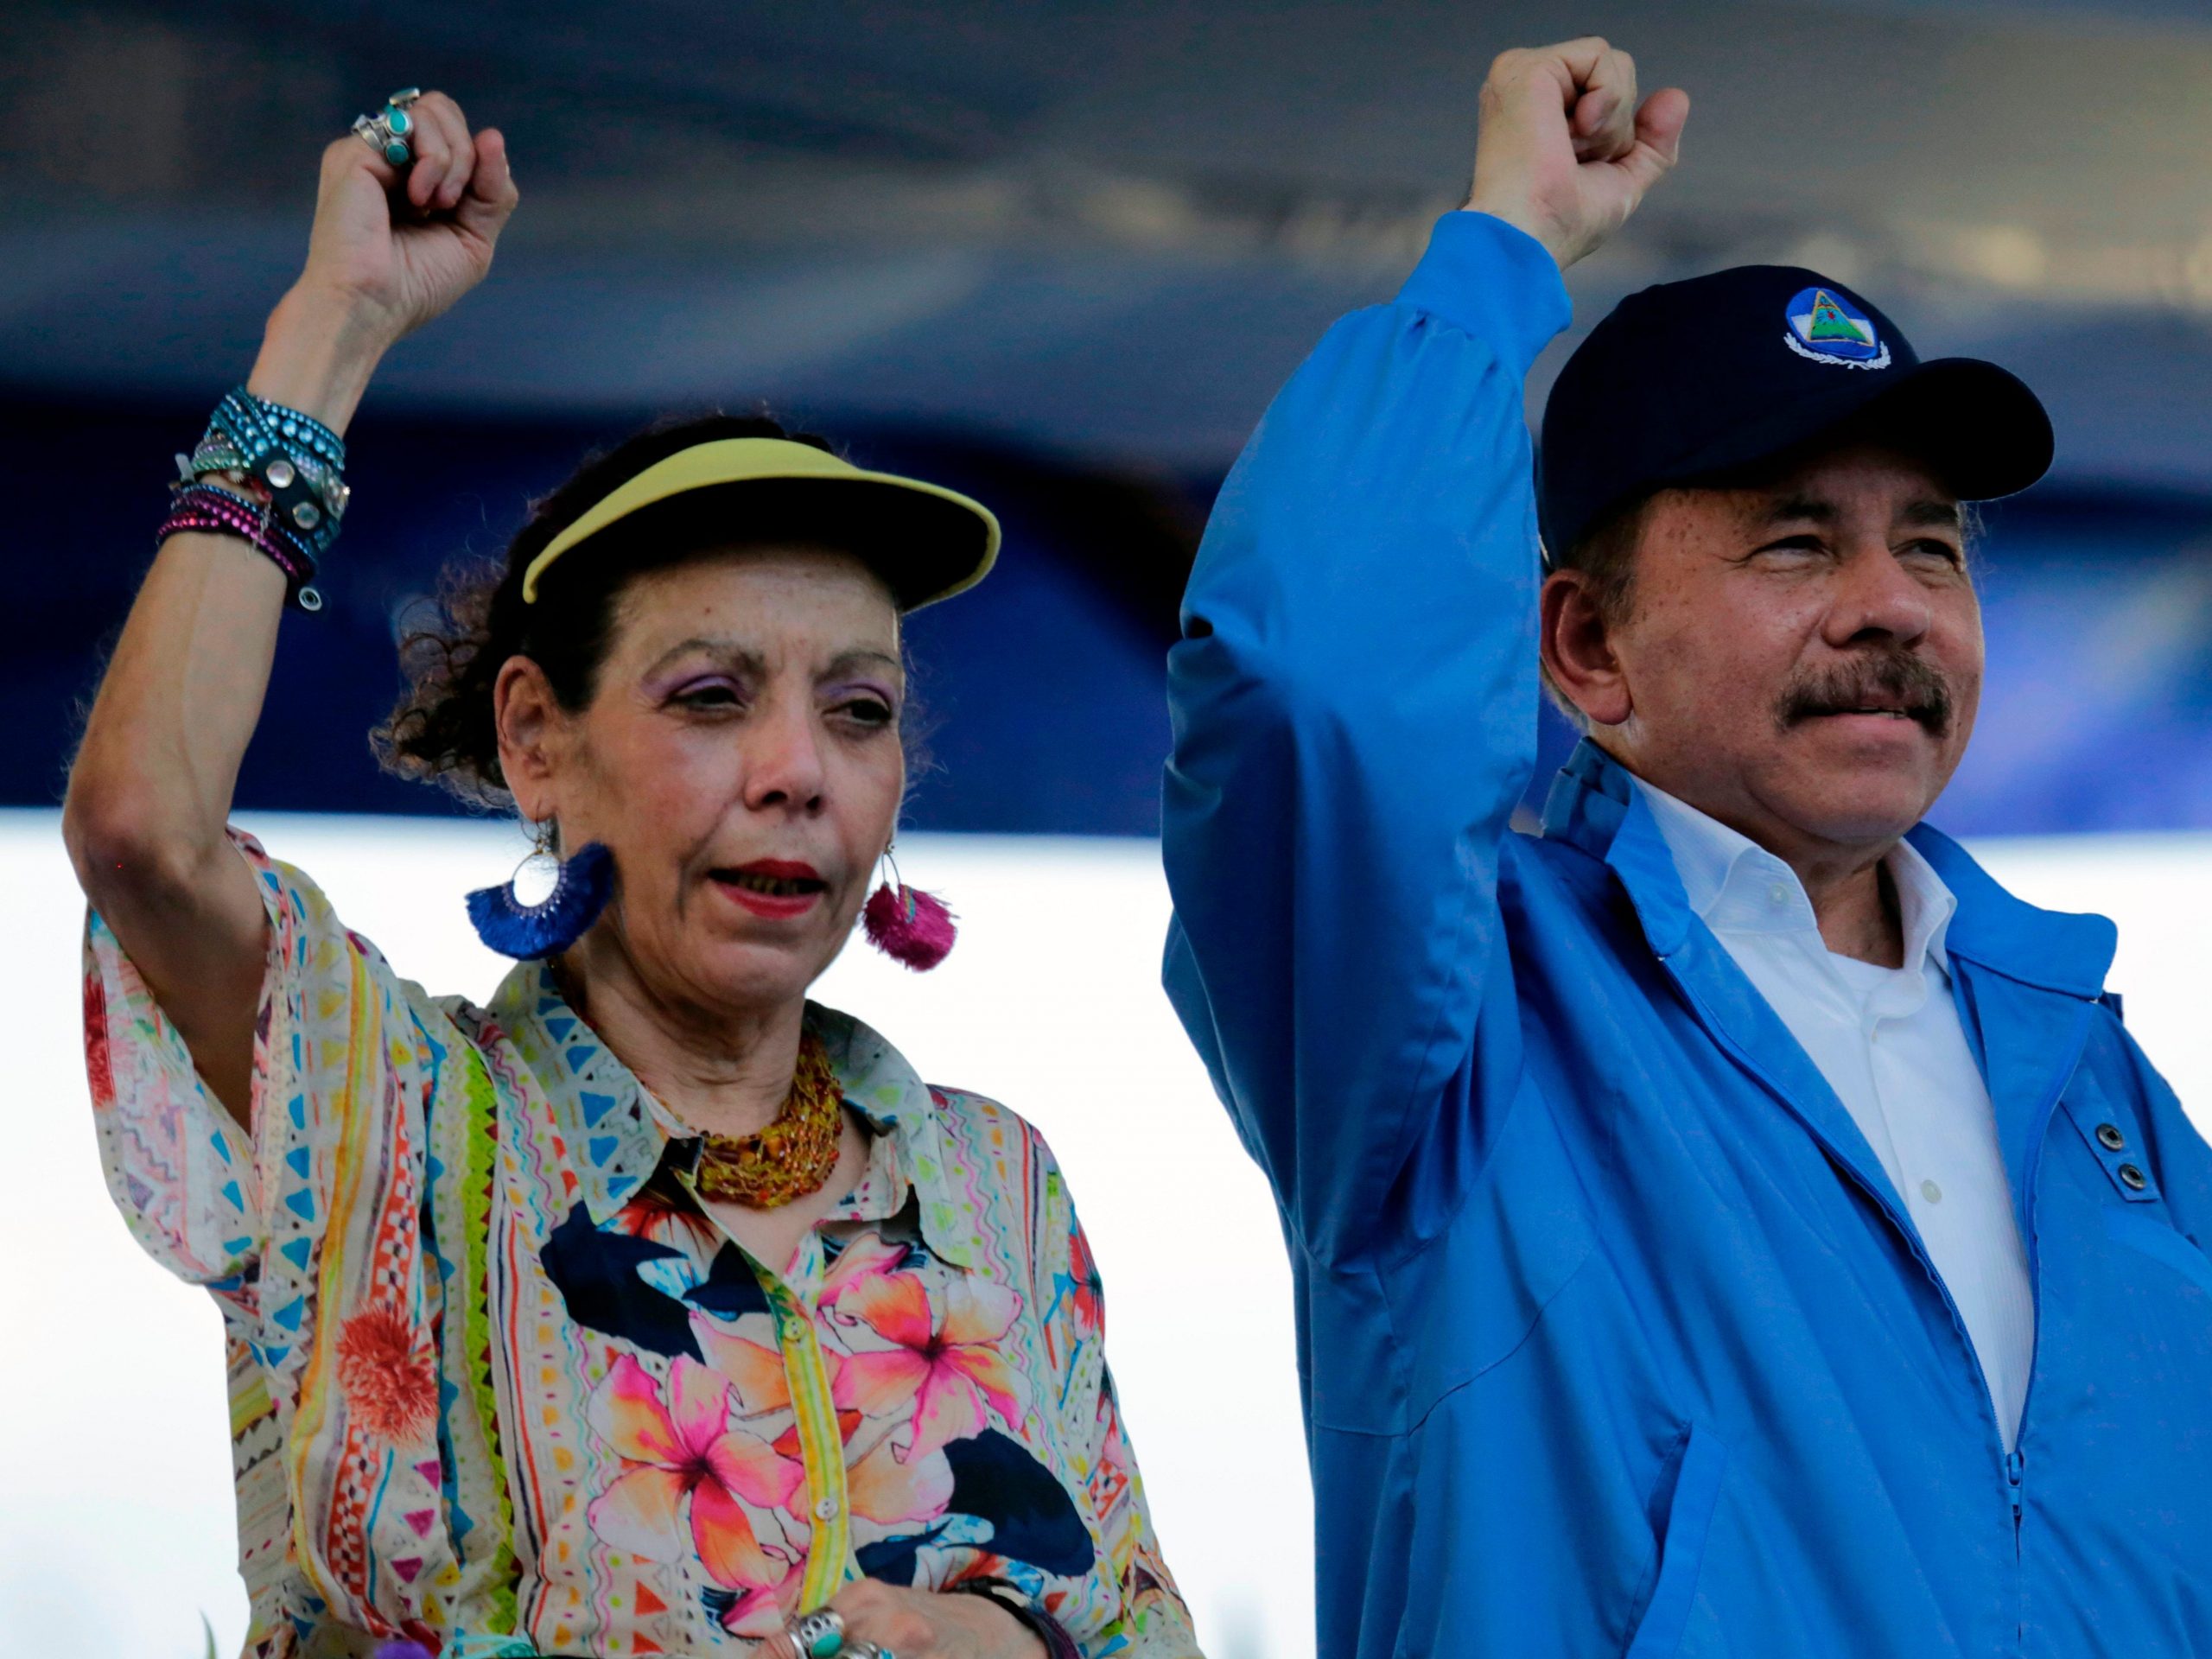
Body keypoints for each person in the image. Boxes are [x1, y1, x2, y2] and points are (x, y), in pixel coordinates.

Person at [67, 89, 1197, 1659]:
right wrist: (332, 326)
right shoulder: (396, 1115)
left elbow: (1148, 1627)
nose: (799, 767)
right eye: (713, 698)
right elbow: (143, 831)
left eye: (857, 710)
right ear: (535, 739)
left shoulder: (995, 1185)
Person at [1163, 35, 2212, 1658]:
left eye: (1929, 545)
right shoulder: (1445, 1040)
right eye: (1796, 541)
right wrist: (1498, 251)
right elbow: (1319, 677)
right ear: (1584, 652)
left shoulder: (2094, 1079)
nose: (1892, 604)